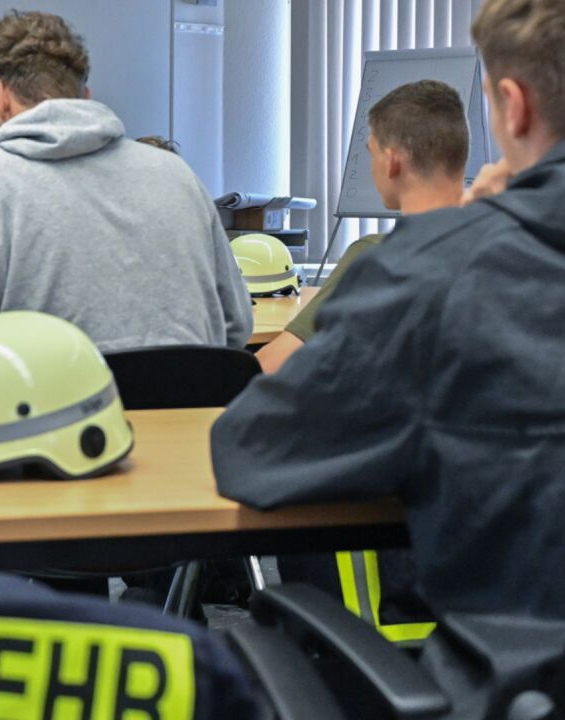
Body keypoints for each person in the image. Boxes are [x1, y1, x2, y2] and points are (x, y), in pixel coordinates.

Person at [212, 0, 565, 625]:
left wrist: (479, 224)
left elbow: (250, 449)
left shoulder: (430, 270)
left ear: (514, 105)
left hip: (507, 674)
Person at [0, 12, 251, 358]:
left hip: (48, 410)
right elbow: (235, 324)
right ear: (84, 95)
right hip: (189, 409)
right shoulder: (178, 176)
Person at [254, 80, 468, 373]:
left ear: (392, 161)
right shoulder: (505, 250)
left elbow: (272, 365)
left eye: (372, 153)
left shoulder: (374, 258)